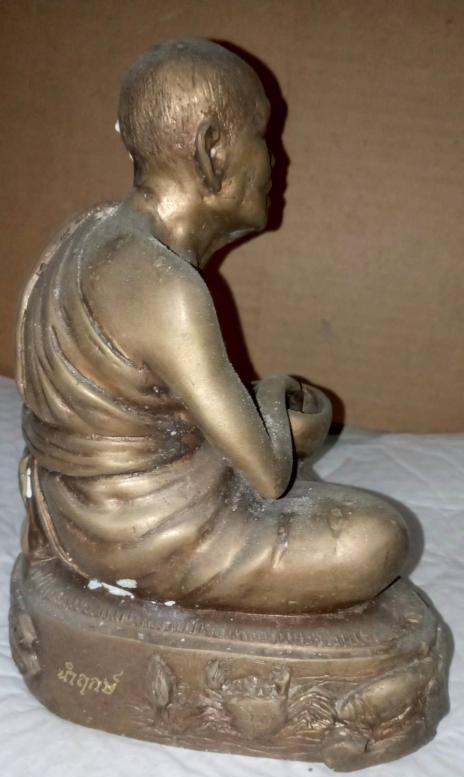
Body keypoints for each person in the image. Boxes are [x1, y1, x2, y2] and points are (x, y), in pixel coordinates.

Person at [16, 39, 407, 613]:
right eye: (263, 137)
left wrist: (262, 417)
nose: (277, 161)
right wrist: (276, 400)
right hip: (142, 537)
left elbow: (153, 405)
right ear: (211, 151)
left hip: (86, 505)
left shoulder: (86, 232)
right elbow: (269, 475)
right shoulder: (165, 286)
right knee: (379, 537)